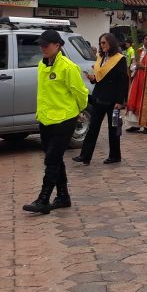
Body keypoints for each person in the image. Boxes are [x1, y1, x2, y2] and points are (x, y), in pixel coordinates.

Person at [23, 29, 89, 215]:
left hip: (64, 118)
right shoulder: (42, 66)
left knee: (51, 158)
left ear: (57, 45)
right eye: (41, 45)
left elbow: (81, 93)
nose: (43, 48)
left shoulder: (68, 67)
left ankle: (43, 199)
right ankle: (63, 196)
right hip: (45, 118)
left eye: (46, 45)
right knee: (55, 157)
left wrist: (77, 112)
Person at [76, 33, 129, 165]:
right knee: (93, 127)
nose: (102, 45)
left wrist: (120, 101)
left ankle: (115, 156)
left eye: (104, 43)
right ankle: (85, 156)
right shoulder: (100, 58)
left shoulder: (119, 59)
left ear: (111, 43)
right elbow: (99, 78)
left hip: (112, 100)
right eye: (100, 43)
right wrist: (92, 79)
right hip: (99, 98)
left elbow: (123, 81)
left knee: (113, 129)